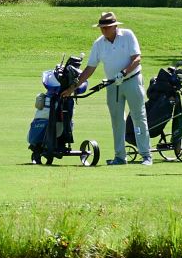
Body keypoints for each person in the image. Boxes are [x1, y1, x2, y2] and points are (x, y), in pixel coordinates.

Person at [63, 11, 152, 166]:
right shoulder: (99, 43)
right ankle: (120, 156)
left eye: (107, 27)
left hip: (132, 81)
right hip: (113, 85)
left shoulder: (127, 35)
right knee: (117, 121)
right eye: (102, 28)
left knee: (138, 118)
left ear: (115, 26)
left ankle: (146, 155)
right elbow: (90, 68)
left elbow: (136, 59)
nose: (104, 30)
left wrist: (123, 73)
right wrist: (73, 88)